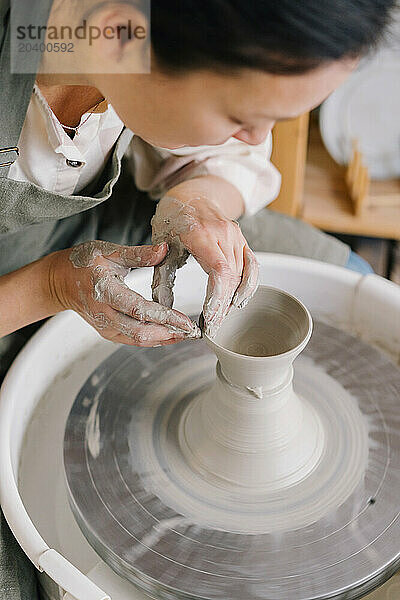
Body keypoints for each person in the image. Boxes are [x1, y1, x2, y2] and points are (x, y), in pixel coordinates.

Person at [0, 0, 395, 597]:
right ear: (114, 37)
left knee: (344, 272)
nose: (260, 137)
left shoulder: (106, 36)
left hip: (112, 234)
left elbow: (218, 159)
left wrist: (197, 201)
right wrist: (52, 286)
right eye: (242, 114)